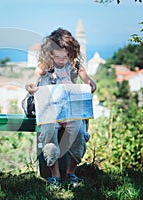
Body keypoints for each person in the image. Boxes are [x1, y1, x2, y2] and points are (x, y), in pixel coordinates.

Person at [25, 28, 96, 187]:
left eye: (65, 56)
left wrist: (91, 86)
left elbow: (90, 83)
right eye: (57, 56)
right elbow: (33, 81)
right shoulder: (45, 64)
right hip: (50, 110)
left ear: (71, 52)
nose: (62, 60)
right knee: (49, 135)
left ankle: (71, 172)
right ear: (50, 53)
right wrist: (31, 87)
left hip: (70, 111)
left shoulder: (76, 65)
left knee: (79, 135)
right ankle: (55, 175)